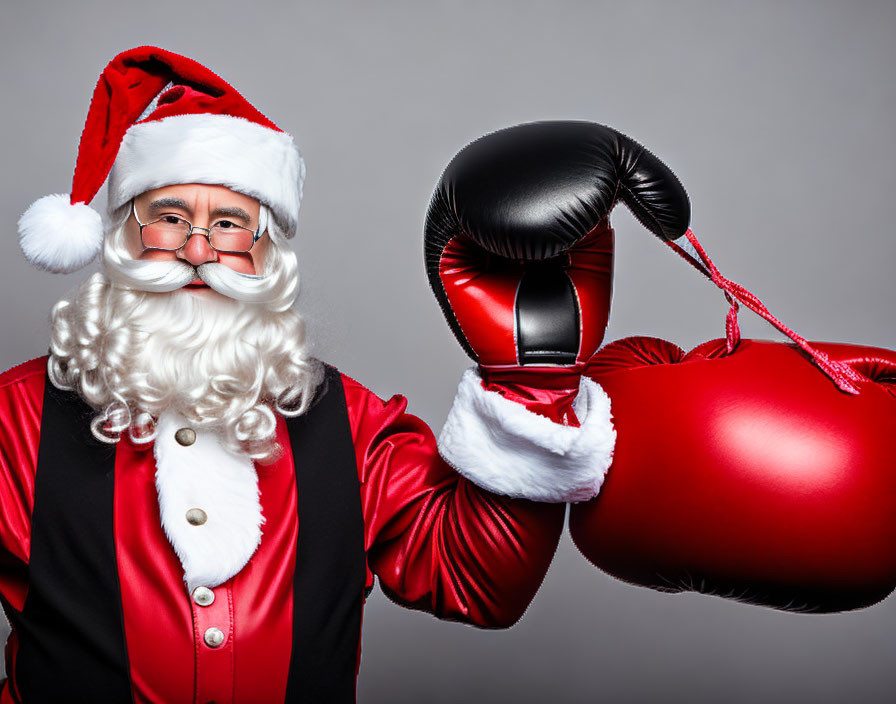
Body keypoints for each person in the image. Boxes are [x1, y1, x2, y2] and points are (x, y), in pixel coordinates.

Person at [0, 47, 614, 703]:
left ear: (267, 259)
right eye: (169, 219)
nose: (199, 251)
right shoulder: (16, 419)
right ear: (122, 241)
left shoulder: (351, 424)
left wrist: (533, 377)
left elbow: (475, 580)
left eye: (230, 225)